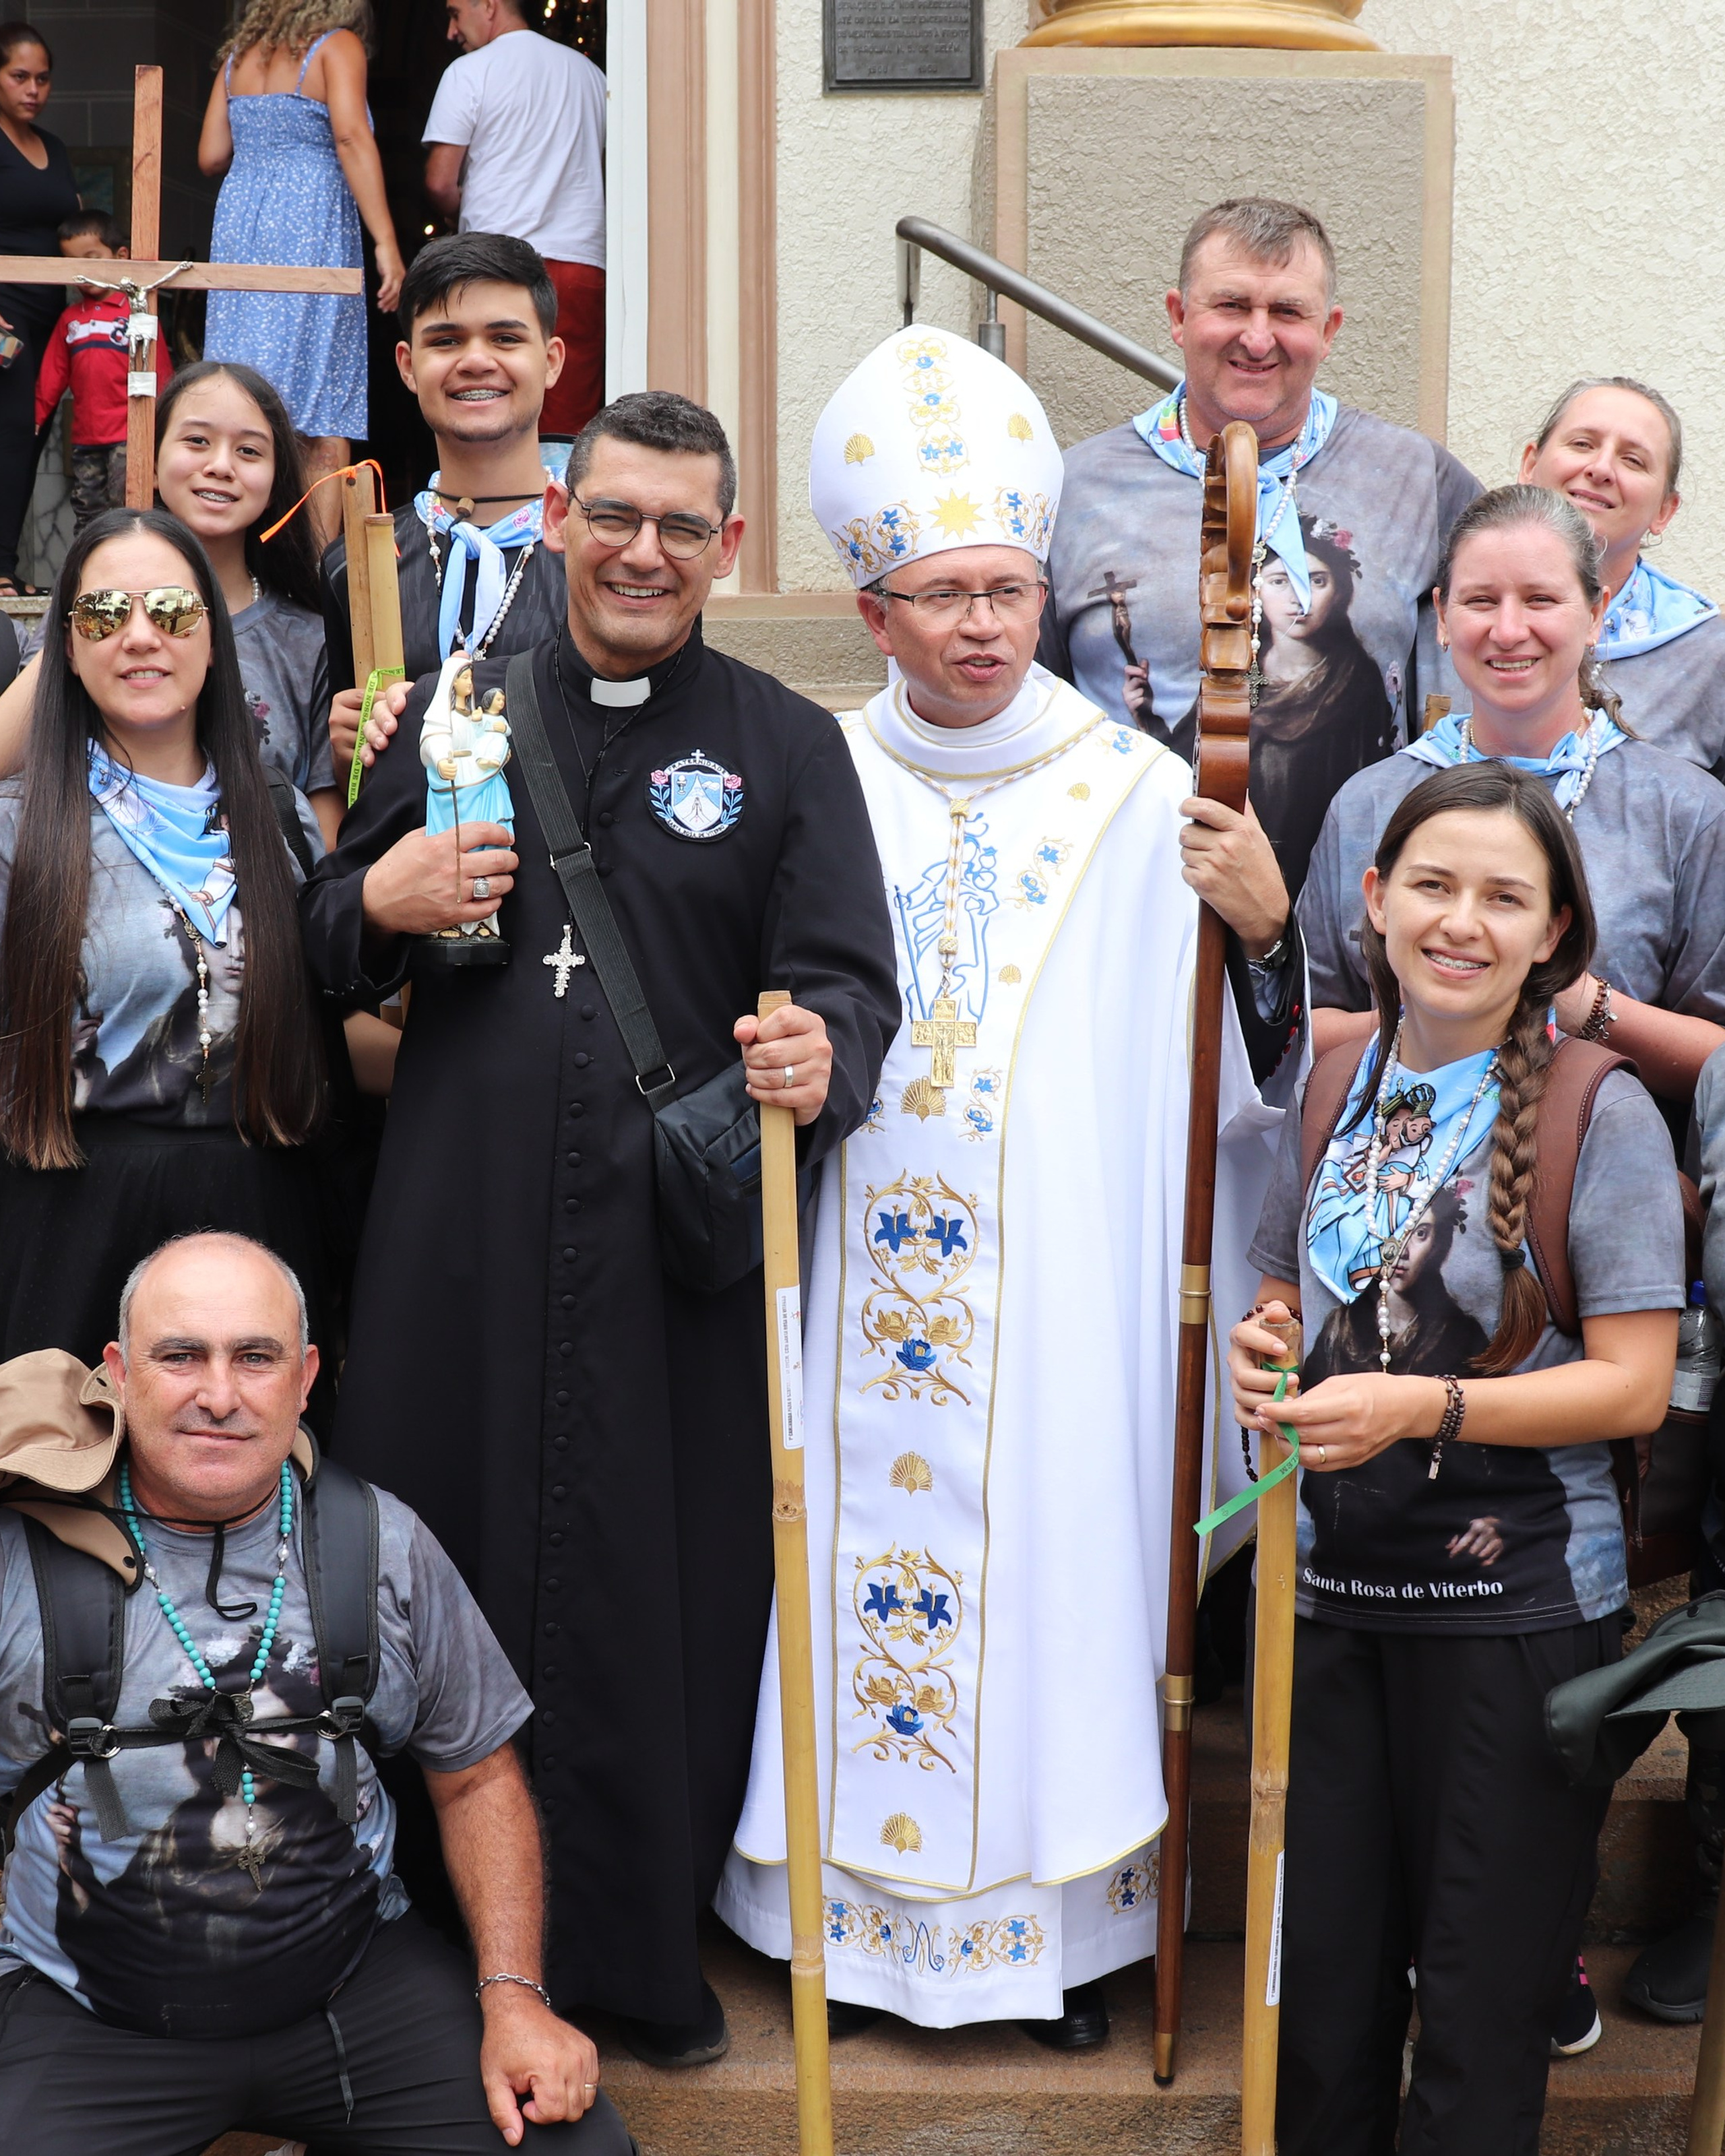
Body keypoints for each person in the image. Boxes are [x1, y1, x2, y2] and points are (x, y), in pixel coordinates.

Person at [299, 389, 901, 2062]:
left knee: (657, 1586)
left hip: (665, 1271)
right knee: (432, 1566)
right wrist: (384, 902)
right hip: (458, 1246)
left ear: (724, 547)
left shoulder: (786, 745)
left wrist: (816, 1051)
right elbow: (321, 936)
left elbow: (853, 984)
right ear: (558, 516)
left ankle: (631, 1956)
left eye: (680, 526)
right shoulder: (445, 708)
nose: (642, 550)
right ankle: (422, 1964)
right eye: (613, 514)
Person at [716, 326, 1303, 2043]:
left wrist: (1263, 931)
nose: (979, 624)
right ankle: (832, 1915)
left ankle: (1051, 1938)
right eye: (939, 591)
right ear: (869, 609)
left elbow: (1243, 1094)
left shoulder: (1143, 797)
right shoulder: (801, 774)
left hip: (1057, 1314)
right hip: (843, 1291)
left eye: (1005, 589)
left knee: (1056, 1574)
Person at [1233, 759, 1683, 2155]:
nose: (1459, 921)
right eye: (1431, 884)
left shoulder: (1593, 1112)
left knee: (1478, 2039)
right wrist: (1262, 1343)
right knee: (1318, 2025)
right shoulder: (1327, 1077)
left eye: (1504, 896)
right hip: (1328, 1606)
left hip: (1515, 1621)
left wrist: (1421, 1409)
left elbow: (1633, 1386)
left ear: (1553, 930)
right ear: (1370, 899)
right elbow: (1281, 1286)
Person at [0, 1231, 632, 2154]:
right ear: (119, 1373)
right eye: (181, 1356)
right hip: (88, 2013)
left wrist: (514, 1998)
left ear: (305, 1379)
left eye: (254, 1358)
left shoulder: (379, 1545)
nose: (219, 1395)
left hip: (352, 1997)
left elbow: (477, 1778)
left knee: (578, 2150)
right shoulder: (20, 1561)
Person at [1042, 194, 1480, 911]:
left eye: (1287, 312)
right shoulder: (1075, 490)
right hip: (1134, 903)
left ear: (1329, 329)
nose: (1256, 336)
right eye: (1230, 305)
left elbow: (1495, 656)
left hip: (1355, 915)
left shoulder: (1416, 478)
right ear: (1178, 316)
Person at [0, 507, 336, 1416]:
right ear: (64, 648)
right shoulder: (16, 831)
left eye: (173, 613)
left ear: (215, 640)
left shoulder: (281, 818)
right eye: (105, 613)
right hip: (71, 1216)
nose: (141, 637)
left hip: (262, 1209)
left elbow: (336, 1027)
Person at [1300, 486, 1725, 1106]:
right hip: (1396, 1185)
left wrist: (1581, 1003)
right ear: (1443, 617)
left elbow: (1716, 1060)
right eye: (1480, 601)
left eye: (1540, 599)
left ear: (1595, 613)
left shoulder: (1684, 811)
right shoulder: (1370, 802)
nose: (1508, 630)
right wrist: (1434, 1013)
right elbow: (1299, 1035)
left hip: (1595, 1179)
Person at [317, 232, 571, 780]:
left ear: (550, 361)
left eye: (505, 338)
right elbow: (348, 794)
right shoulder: (356, 566)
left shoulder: (605, 552)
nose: (476, 361)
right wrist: (346, 754)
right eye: (447, 341)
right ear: (408, 366)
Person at [198, 0, 405, 530]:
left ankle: (239, 557)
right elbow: (351, 136)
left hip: (242, 230)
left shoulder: (236, 58)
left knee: (240, 392)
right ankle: (315, 576)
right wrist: (386, 240)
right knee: (321, 402)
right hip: (309, 226)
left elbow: (211, 155)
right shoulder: (337, 46)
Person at [1519, 375, 1725, 776]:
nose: (1600, 469)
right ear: (1531, 464)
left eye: (1633, 460)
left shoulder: (1710, 656)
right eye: (1582, 444)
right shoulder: (1453, 623)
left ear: (1664, 510)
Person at [424, 0, 605, 443]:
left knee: (488, 407)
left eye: (454, 12)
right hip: (580, 260)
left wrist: (457, 206)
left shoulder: (470, 71)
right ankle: (561, 508)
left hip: (496, 265)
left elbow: (440, 182)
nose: (451, 31)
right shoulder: (590, 76)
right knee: (569, 426)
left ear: (488, 5)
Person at [0, 22, 79, 593]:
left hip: (50, 311)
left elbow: (73, 226)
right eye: (19, 77)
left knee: (29, 436)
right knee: (8, 432)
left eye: (43, 79)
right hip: (2, 311)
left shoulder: (54, 147)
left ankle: (7, 566)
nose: (33, 89)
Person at [32, 212, 172, 530]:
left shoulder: (137, 312)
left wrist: (164, 422)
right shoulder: (71, 318)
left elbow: (160, 369)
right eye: (74, 264)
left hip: (129, 433)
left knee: (129, 509)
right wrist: (36, 417)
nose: (84, 273)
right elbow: (53, 371)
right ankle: (87, 575)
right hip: (86, 436)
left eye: (92, 259)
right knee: (87, 511)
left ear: (120, 256)